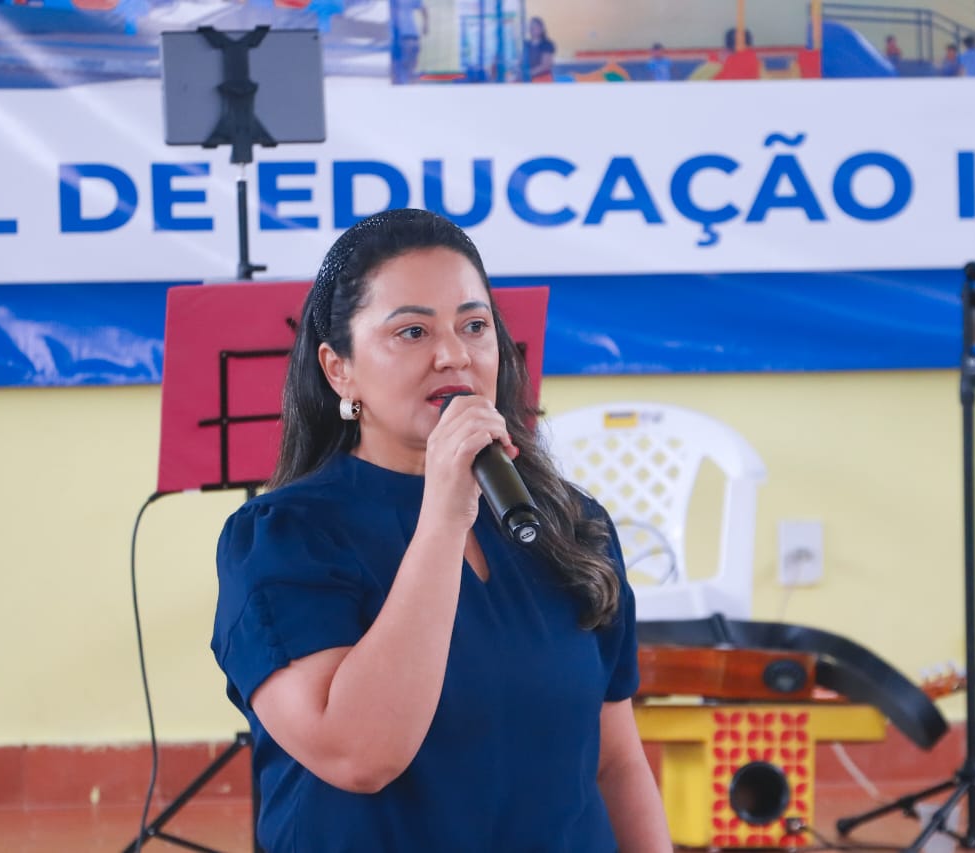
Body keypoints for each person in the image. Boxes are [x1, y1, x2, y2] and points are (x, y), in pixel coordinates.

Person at [210, 208, 672, 853]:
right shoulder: (284, 539)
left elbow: (615, 762)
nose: (453, 354)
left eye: (474, 326)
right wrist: (445, 514)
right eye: (411, 331)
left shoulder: (570, 522)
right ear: (339, 368)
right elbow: (360, 756)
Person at [390, 0, 427, 84]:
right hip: (408, 37)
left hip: (405, 37)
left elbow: (423, 9)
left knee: (400, 73)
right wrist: (425, 26)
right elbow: (424, 9)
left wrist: (425, 25)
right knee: (406, 72)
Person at [523, 15, 556, 81]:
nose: (531, 28)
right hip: (528, 78)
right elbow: (522, 60)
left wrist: (529, 73)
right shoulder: (526, 44)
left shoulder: (547, 44)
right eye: (530, 26)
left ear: (542, 28)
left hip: (543, 79)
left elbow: (546, 66)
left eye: (535, 26)